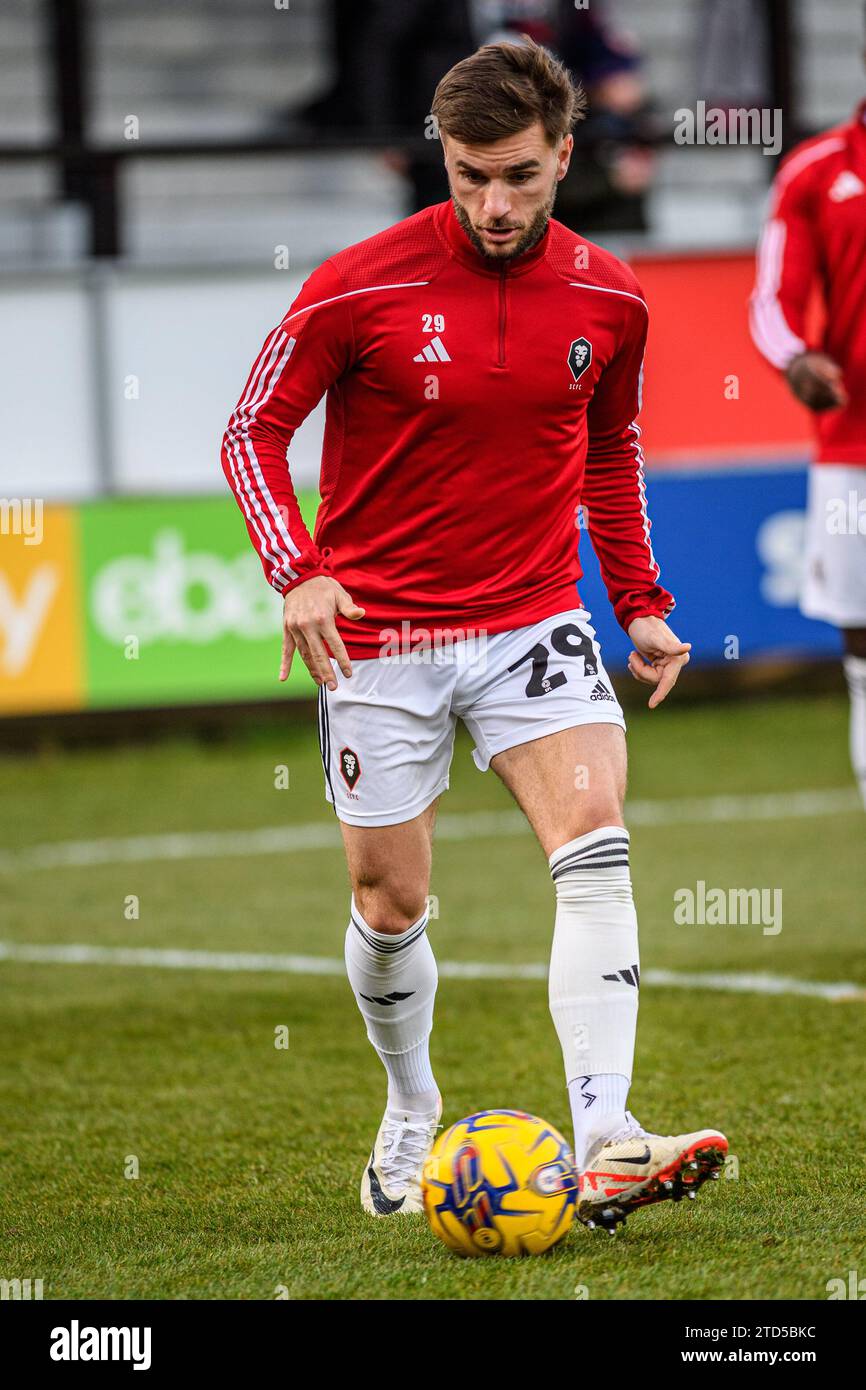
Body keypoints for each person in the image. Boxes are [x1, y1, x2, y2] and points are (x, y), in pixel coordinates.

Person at [222, 39, 727, 1233]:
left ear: (564, 155)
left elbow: (608, 450)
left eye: (516, 177)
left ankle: (604, 1131)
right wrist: (297, 572)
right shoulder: (355, 284)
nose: (492, 206)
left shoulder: (610, 294)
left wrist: (639, 600)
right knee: (389, 905)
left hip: (531, 618)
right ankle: (410, 1111)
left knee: (594, 845)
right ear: (439, 162)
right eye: (466, 178)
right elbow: (251, 432)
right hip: (381, 635)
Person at [750, 89, 866, 811]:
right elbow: (772, 299)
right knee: (864, 649)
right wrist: (796, 359)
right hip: (854, 450)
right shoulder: (816, 171)